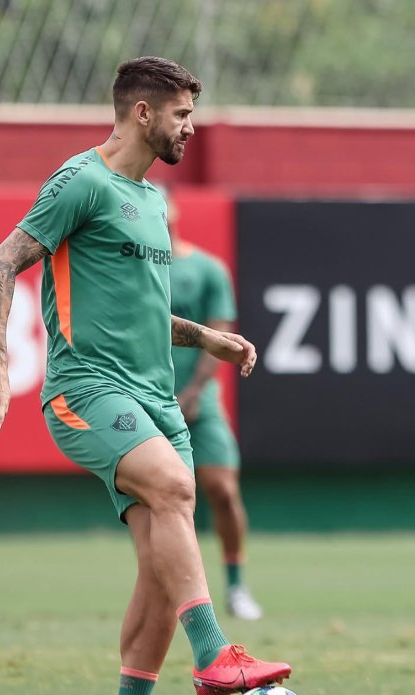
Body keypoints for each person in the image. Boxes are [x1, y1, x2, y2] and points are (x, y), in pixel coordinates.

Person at [0, 56, 291, 695]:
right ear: (142, 113)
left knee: (159, 565)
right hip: (85, 392)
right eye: (181, 115)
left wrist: (203, 334)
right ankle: (216, 655)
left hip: (153, 397)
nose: (190, 128)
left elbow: (138, 309)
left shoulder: (149, 199)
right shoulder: (80, 181)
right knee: (179, 489)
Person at [160, 185, 262, 621]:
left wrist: (194, 392)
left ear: (175, 207)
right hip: (149, 400)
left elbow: (219, 337)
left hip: (200, 403)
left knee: (221, 489)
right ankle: (167, 593)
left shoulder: (206, 269)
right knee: (157, 502)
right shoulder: (131, 272)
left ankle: (237, 585)